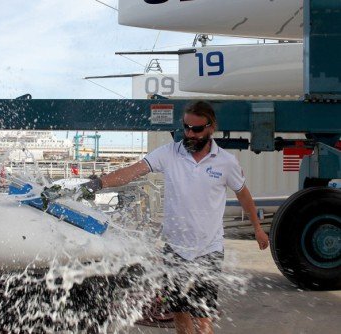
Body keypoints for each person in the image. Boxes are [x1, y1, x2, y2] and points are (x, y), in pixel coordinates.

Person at [77, 101, 269, 334]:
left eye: (197, 129)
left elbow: (243, 194)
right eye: (186, 128)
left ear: (211, 128)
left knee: (202, 316)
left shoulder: (226, 162)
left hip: (209, 250)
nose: (190, 134)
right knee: (179, 311)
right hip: (175, 250)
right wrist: (99, 183)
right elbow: (133, 170)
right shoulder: (169, 153)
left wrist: (258, 228)